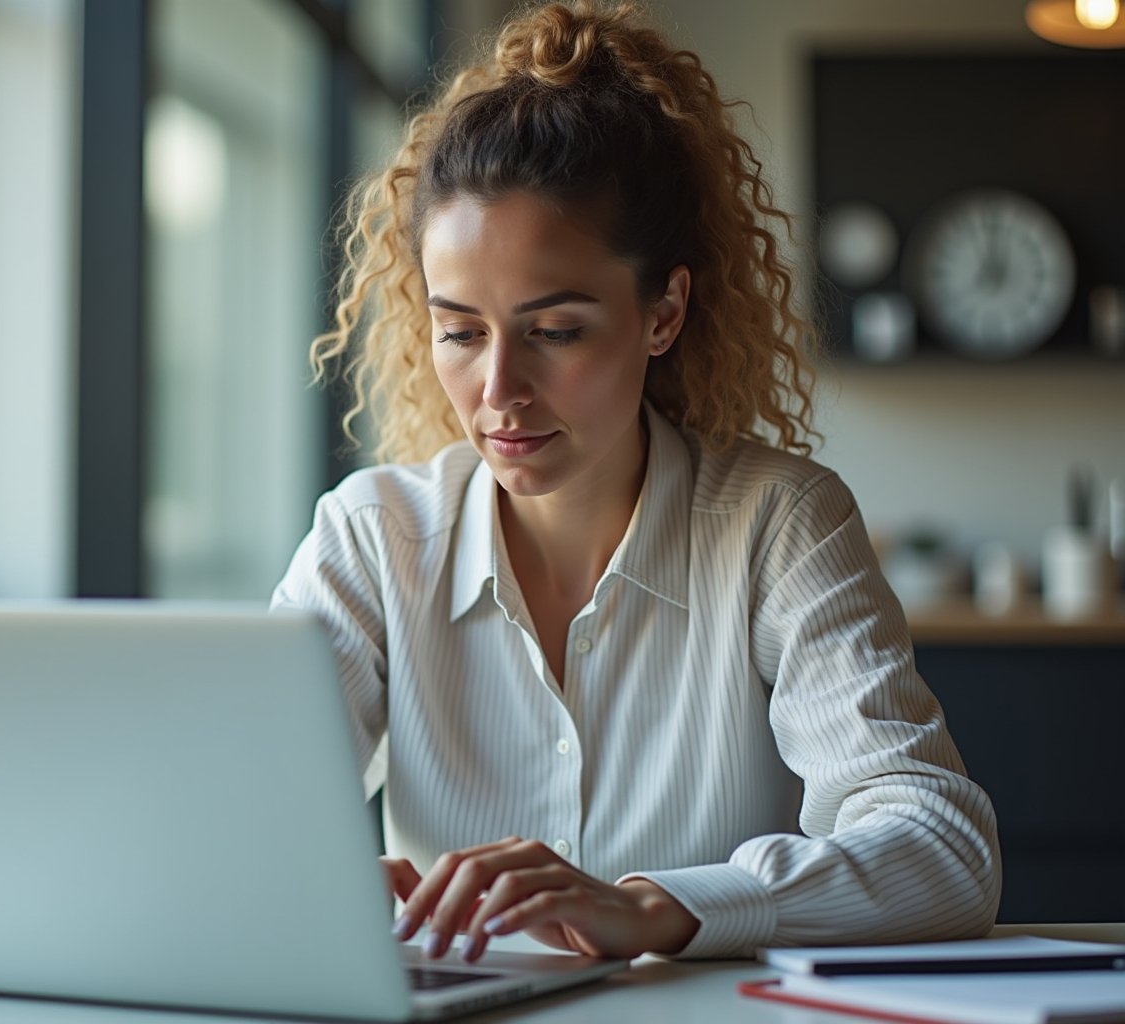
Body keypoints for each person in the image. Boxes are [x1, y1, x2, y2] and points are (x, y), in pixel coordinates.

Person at [270, 0, 1000, 963]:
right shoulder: (372, 539)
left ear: (664, 312)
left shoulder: (778, 524)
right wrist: (292, 871)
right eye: (459, 331)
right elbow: (224, 801)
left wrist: (664, 908)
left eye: (556, 330)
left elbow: (944, 849)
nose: (498, 393)